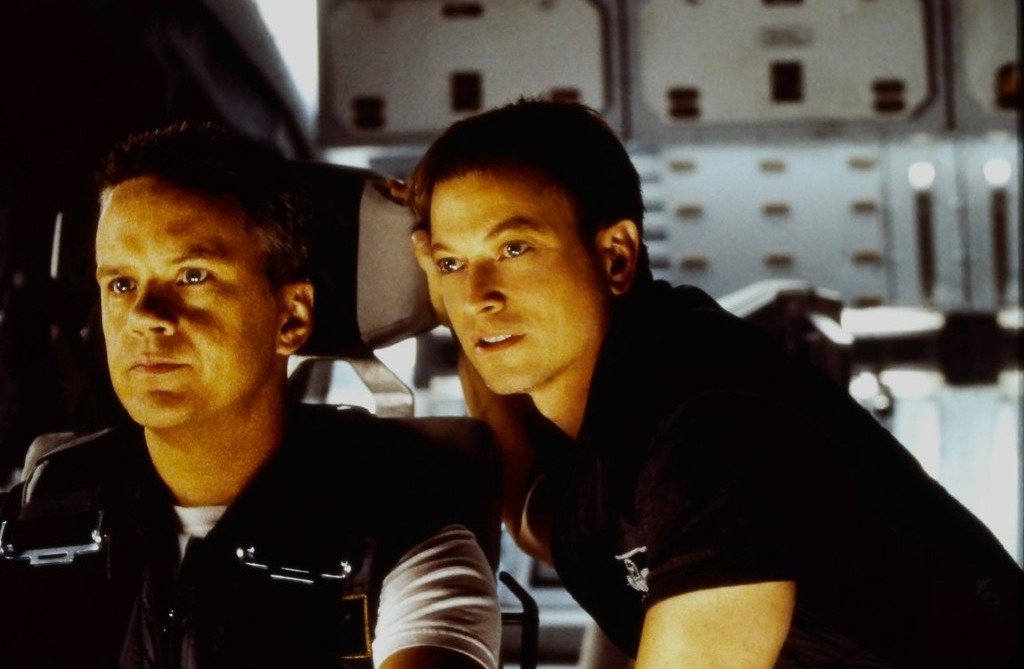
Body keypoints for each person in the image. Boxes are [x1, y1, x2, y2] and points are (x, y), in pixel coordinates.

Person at [405, 98, 1023, 668]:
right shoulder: (614, 417)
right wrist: (443, 296)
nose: (477, 296)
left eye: (514, 249)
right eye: (453, 263)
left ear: (616, 256)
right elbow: (539, 518)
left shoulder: (706, 424)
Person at [0, 121, 501, 669]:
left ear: (291, 317)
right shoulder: (35, 514)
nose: (144, 316)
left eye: (193, 276)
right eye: (121, 284)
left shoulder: (404, 536)